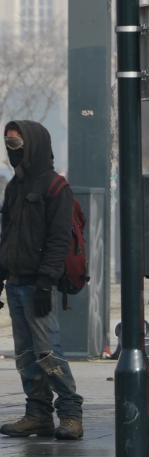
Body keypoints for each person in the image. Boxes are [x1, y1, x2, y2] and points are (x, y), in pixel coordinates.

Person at [0, 120, 84, 440]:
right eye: (8, 144)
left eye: (17, 145)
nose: (11, 151)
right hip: (16, 283)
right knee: (25, 354)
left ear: (33, 145)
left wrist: (46, 282)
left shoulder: (55, 187)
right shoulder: (14, 187)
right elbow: (7, 237)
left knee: (48, 351)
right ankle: (37, 413)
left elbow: (59, 240)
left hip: (38, 285)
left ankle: (70, 413)